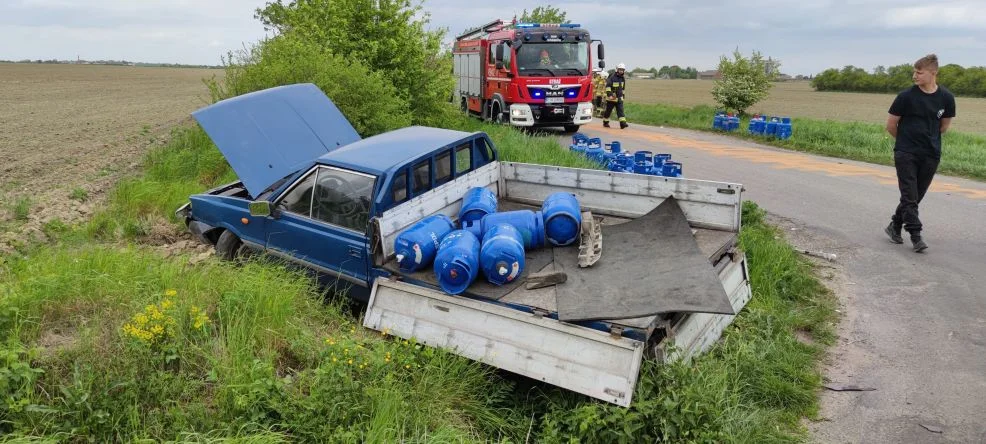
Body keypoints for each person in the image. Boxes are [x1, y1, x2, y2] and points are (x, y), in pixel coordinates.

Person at [884, 54, 955, 252]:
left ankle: (894, 225)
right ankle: (916, 235)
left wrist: (927, 141)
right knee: (909, 196)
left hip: (931, 154)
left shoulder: (946, 98)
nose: (914, 76)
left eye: (919, 72)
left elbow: (943, 126)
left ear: (933, 73)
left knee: (915, 197)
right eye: (914, 71)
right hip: (906, 152)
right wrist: (906, 141)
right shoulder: (906, 96)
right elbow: (891, 125)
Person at [603, 63, 628, 129]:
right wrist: (610, 95)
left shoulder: (623, 78)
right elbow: (608, 87)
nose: (621, 71)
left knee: (620, 111)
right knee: (608, 111)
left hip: (619, 98)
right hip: (612, 98)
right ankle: (605, 122)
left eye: (622, 70)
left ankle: (622, 124)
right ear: (617, 70)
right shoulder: (612, 77)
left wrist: (623, 96)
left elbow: (623, 88)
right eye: (620, 70)